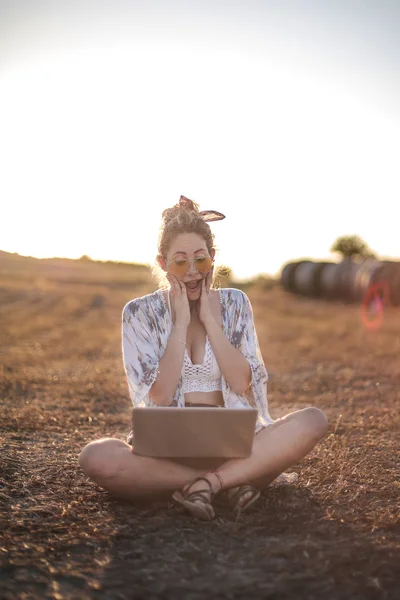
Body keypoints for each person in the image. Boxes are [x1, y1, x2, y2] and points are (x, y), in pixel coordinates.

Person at [79, 196, 329, 521]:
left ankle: (210, 483)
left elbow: (241, 382)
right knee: (95, 457)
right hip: (168, 452)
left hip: (239, 445)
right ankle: (225, 482)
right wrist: (180, 323)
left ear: (213, 258)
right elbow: (160, 394)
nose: (193, 272)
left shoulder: (235, 302)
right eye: (181, 262)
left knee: (312, 420)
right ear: (162, 263)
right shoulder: (139, 313)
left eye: (201, 260)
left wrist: (211, 321)